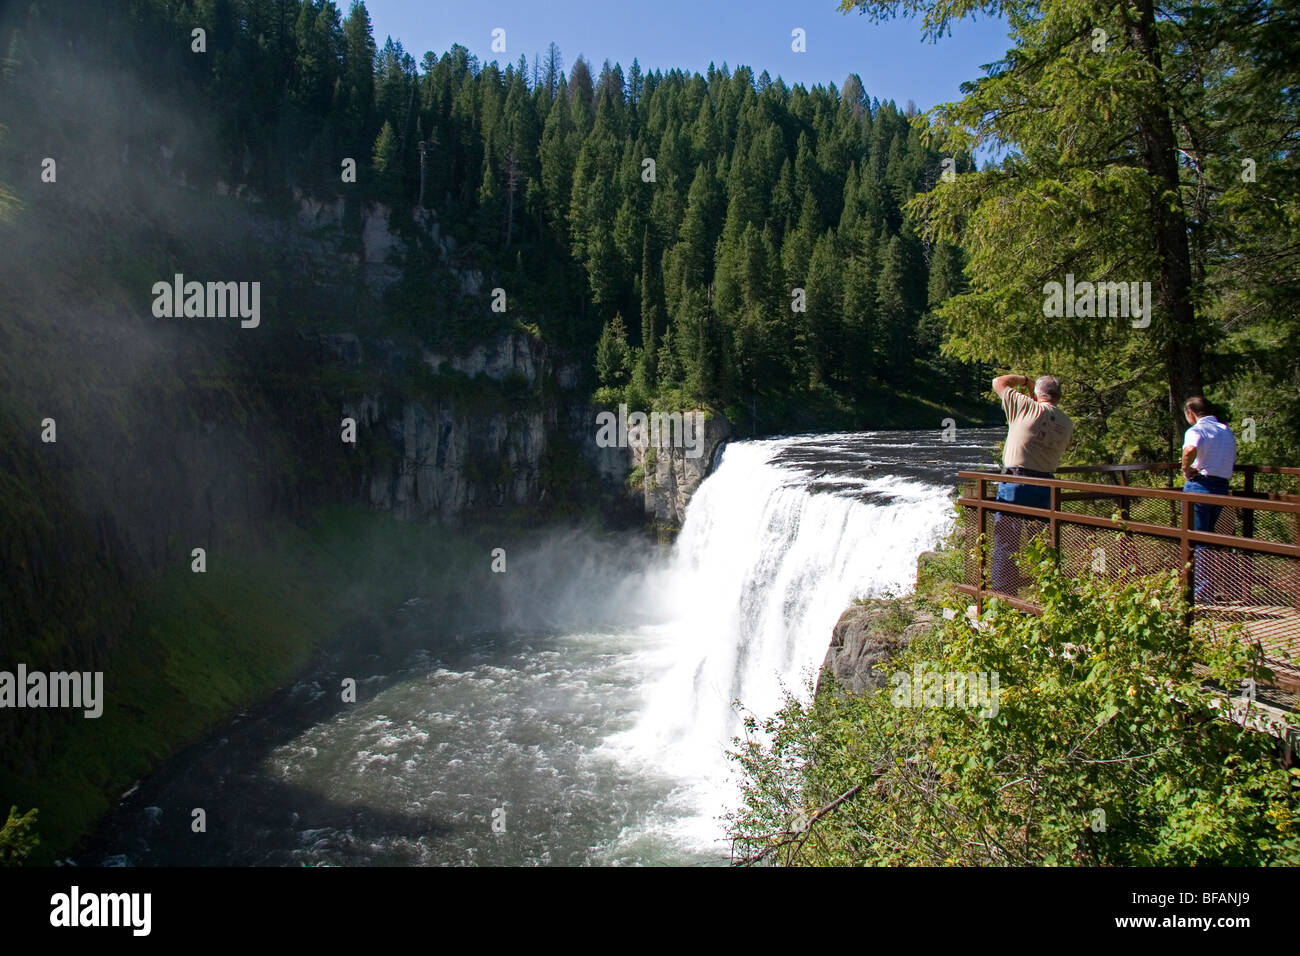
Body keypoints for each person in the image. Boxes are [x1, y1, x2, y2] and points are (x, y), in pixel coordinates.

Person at [989, 373, 1074, 595]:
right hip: (1046, 483)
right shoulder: (1066, 422)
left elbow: (998, 382)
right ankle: (1049, 592)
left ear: (1037, 393)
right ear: (1059, 396)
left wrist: (1025, 380)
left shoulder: (1025, 407)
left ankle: (1003, 596)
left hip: (1016, 482)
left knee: (1006, 540)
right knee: (1044, 542)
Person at [1181, 396, 1237, 603]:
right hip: (1221, 487)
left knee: (1196, 538)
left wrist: (1186, 469)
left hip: (1200, 486)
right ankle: (1205, 589)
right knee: (1210, 538)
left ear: (1191, 413)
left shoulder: (1196, 430)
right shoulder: (1224, 430)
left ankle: (1199, 593)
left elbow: (1189, 450)